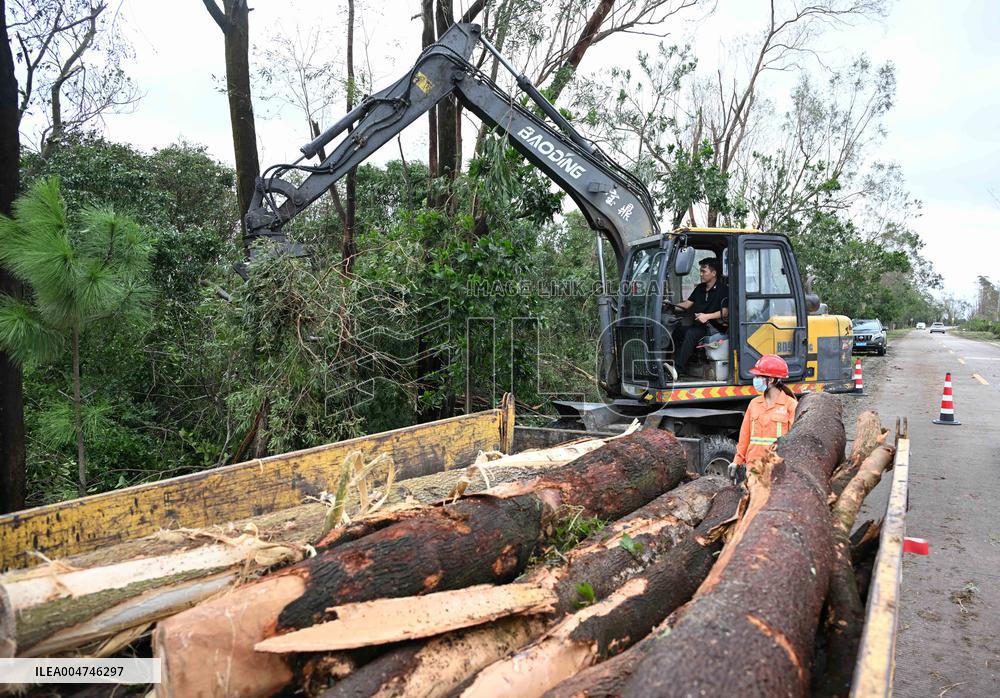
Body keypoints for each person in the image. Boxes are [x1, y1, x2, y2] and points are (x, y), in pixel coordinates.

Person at [728, 354, 798, 485]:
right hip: (753, 469)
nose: (755, 380)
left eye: (758, 376)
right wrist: (736, 461)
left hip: (777, 471)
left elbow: (795, 442)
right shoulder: (754, 404)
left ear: (770, 380)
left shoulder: (790, 405)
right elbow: (745, 437)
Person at [670, 257, 728, 377]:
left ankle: (677, 369)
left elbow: (725, 312)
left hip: (713, 327)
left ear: (714, 273)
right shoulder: (700, 288)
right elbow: (686, 305)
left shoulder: (723, 290)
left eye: (704, 271)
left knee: (691, 333)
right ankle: (674, 363)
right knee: (677, 331)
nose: (701, 274)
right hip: (699, 326)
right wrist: (670, 306)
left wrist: (707, 316)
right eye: (700, 271)